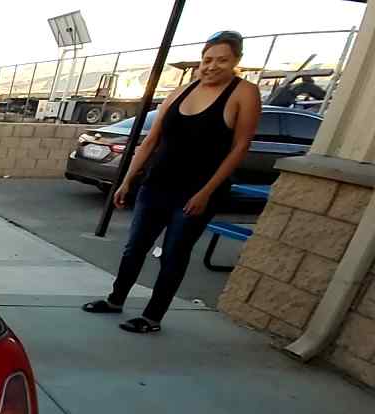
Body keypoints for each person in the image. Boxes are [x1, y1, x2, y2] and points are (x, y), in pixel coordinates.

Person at [83, 30, 262, 333]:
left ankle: (152, 317)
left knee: (173, 254)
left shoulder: (243, 93)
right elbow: (151, 140)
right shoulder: (181, 92)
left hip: (196, 192)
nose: (212, 66)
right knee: (134, 247)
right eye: (207, 60)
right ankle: (115, 299)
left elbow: (240, 147)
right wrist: (127, 180)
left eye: (222, 60)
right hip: (157, 185)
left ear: (236, 61)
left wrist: (207, 192)